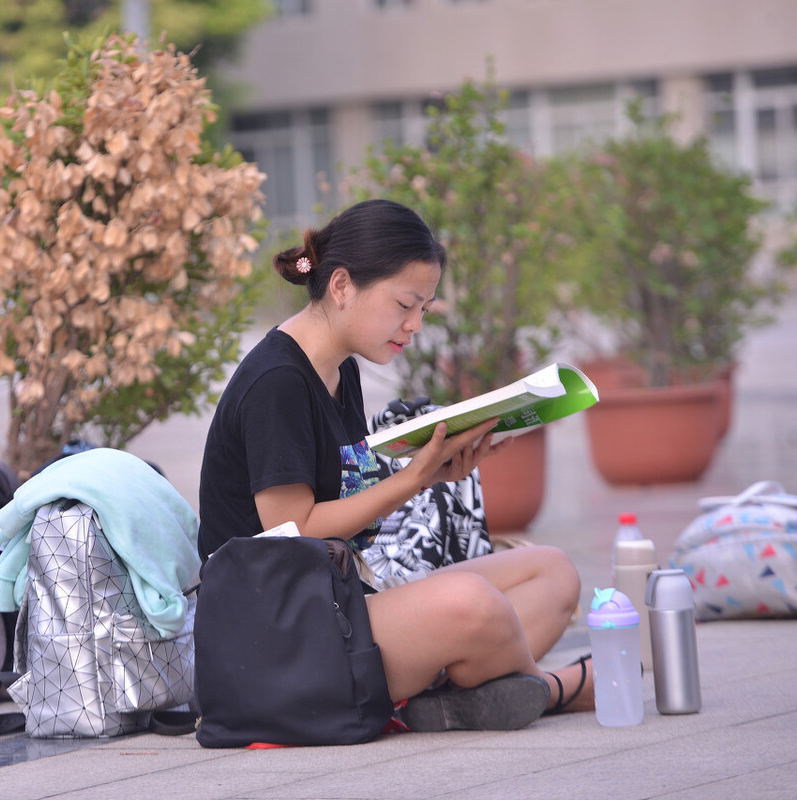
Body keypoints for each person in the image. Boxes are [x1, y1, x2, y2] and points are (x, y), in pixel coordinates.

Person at [197, 198, 594, 730]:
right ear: (341, 286)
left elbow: (351, 513)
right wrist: (412, 479)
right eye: (405, 304)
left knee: (552, 571)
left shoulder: (341, 371)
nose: (414, 326)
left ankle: (464, 692)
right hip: (280, 642)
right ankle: (547, 688)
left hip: (337, 604)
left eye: (424, 310)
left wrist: (433, 471)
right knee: (472, 602)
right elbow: (294, 533)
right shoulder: (278, 383)